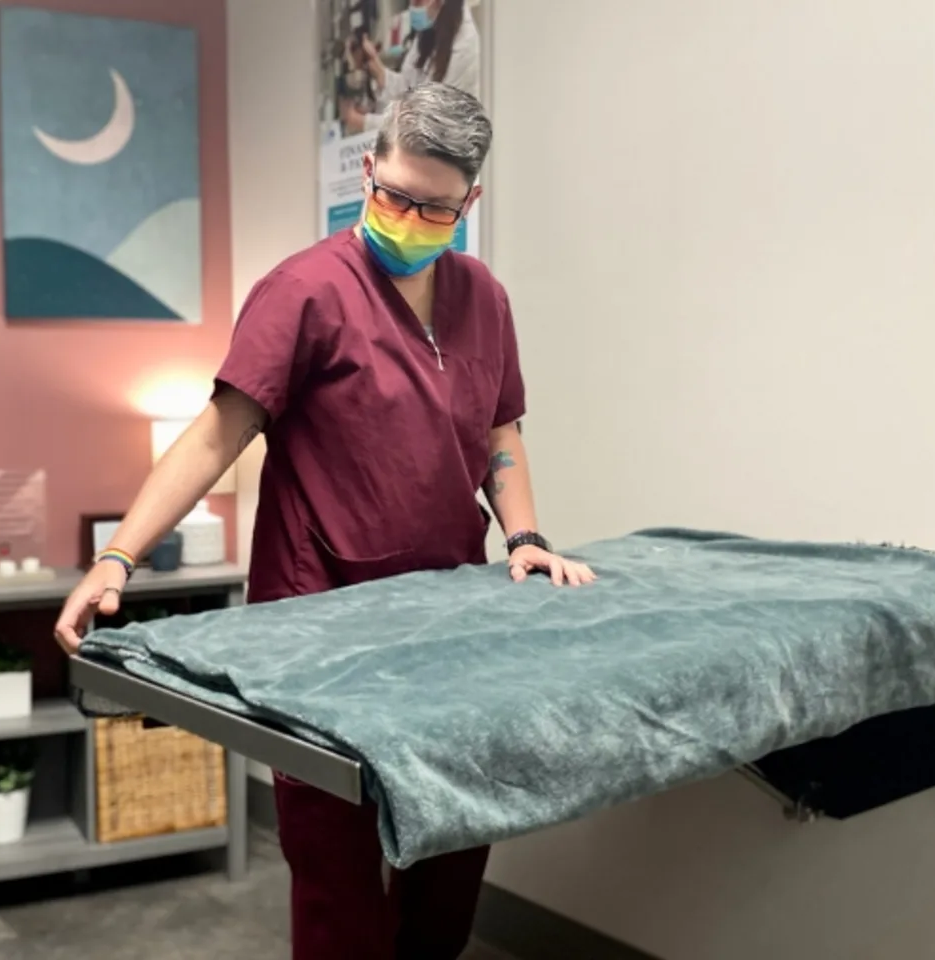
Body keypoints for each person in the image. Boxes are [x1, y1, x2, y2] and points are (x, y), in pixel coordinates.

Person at [55, 82, 595, 960]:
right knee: (339, 879)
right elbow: (218, 434)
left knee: (453, 846)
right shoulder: (303, 291)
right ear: (370, 168)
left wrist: (526, 538)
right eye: (393, 194)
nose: (409, 217)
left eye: (434, 206)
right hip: (320, 621)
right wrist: (117, 556)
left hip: (451, 616)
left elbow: (502, 428)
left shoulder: (483, 296)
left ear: (471, 203)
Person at [343, 0, 481, 135]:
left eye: (418, 2)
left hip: (447, 144)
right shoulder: (432, 23)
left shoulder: (463, 45)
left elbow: (425, 122)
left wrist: (363, 122)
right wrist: (376, 67)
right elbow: (409, 86)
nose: (413, 8)